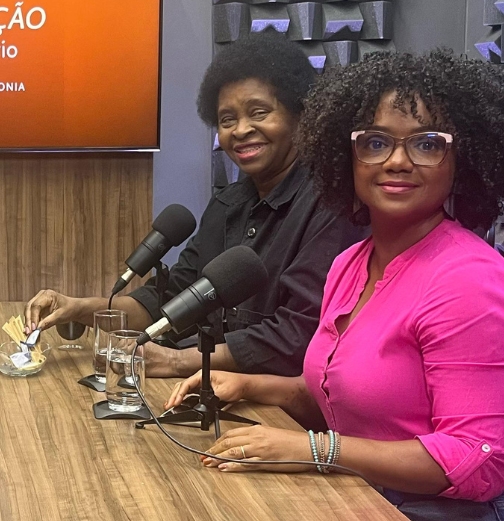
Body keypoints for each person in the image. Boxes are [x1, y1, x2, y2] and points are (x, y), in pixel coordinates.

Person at [164, 48, 504, 521]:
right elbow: (345, 396)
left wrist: (313, 449)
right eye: (376, 142)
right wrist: (249, 386)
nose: (397, 161)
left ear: (462, 160)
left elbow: (476, 463)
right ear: (347, 156)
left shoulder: (471, 282)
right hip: (385, 498)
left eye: (427, 144)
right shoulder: (349, 265)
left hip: (483, 518)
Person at [25, 34, 365, 377]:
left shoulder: (330, 204)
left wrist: (176, 361)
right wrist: (78, 308)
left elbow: (299, 335)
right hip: (210, 391)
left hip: (279, 403)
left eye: (259, 113)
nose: (241, 130)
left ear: (301, 115)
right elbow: (169, 299)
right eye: (227, 120)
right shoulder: (226, 205)